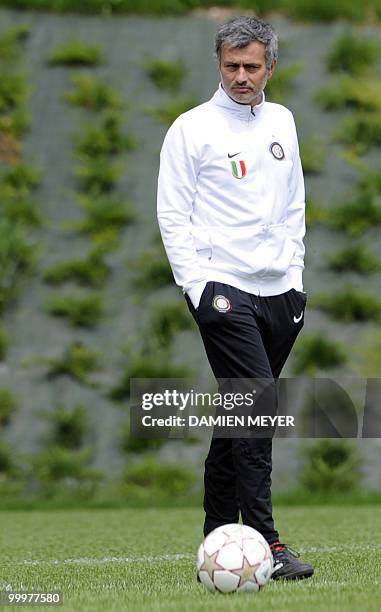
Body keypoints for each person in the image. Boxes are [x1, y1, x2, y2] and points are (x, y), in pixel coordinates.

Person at [157, 15, 314, 580]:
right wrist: (196, 287)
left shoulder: (283, 121)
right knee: (258, 407)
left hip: (280, 293)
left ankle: (217, 535)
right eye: (231, 66)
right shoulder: (190, 129)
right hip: (223, 289)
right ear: (218, 65)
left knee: (239, 413)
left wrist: (295, 275)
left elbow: (294, 200)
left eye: (251, 66)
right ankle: (269, 544)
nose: (241, 77)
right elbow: (172, 214)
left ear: (270, 66)